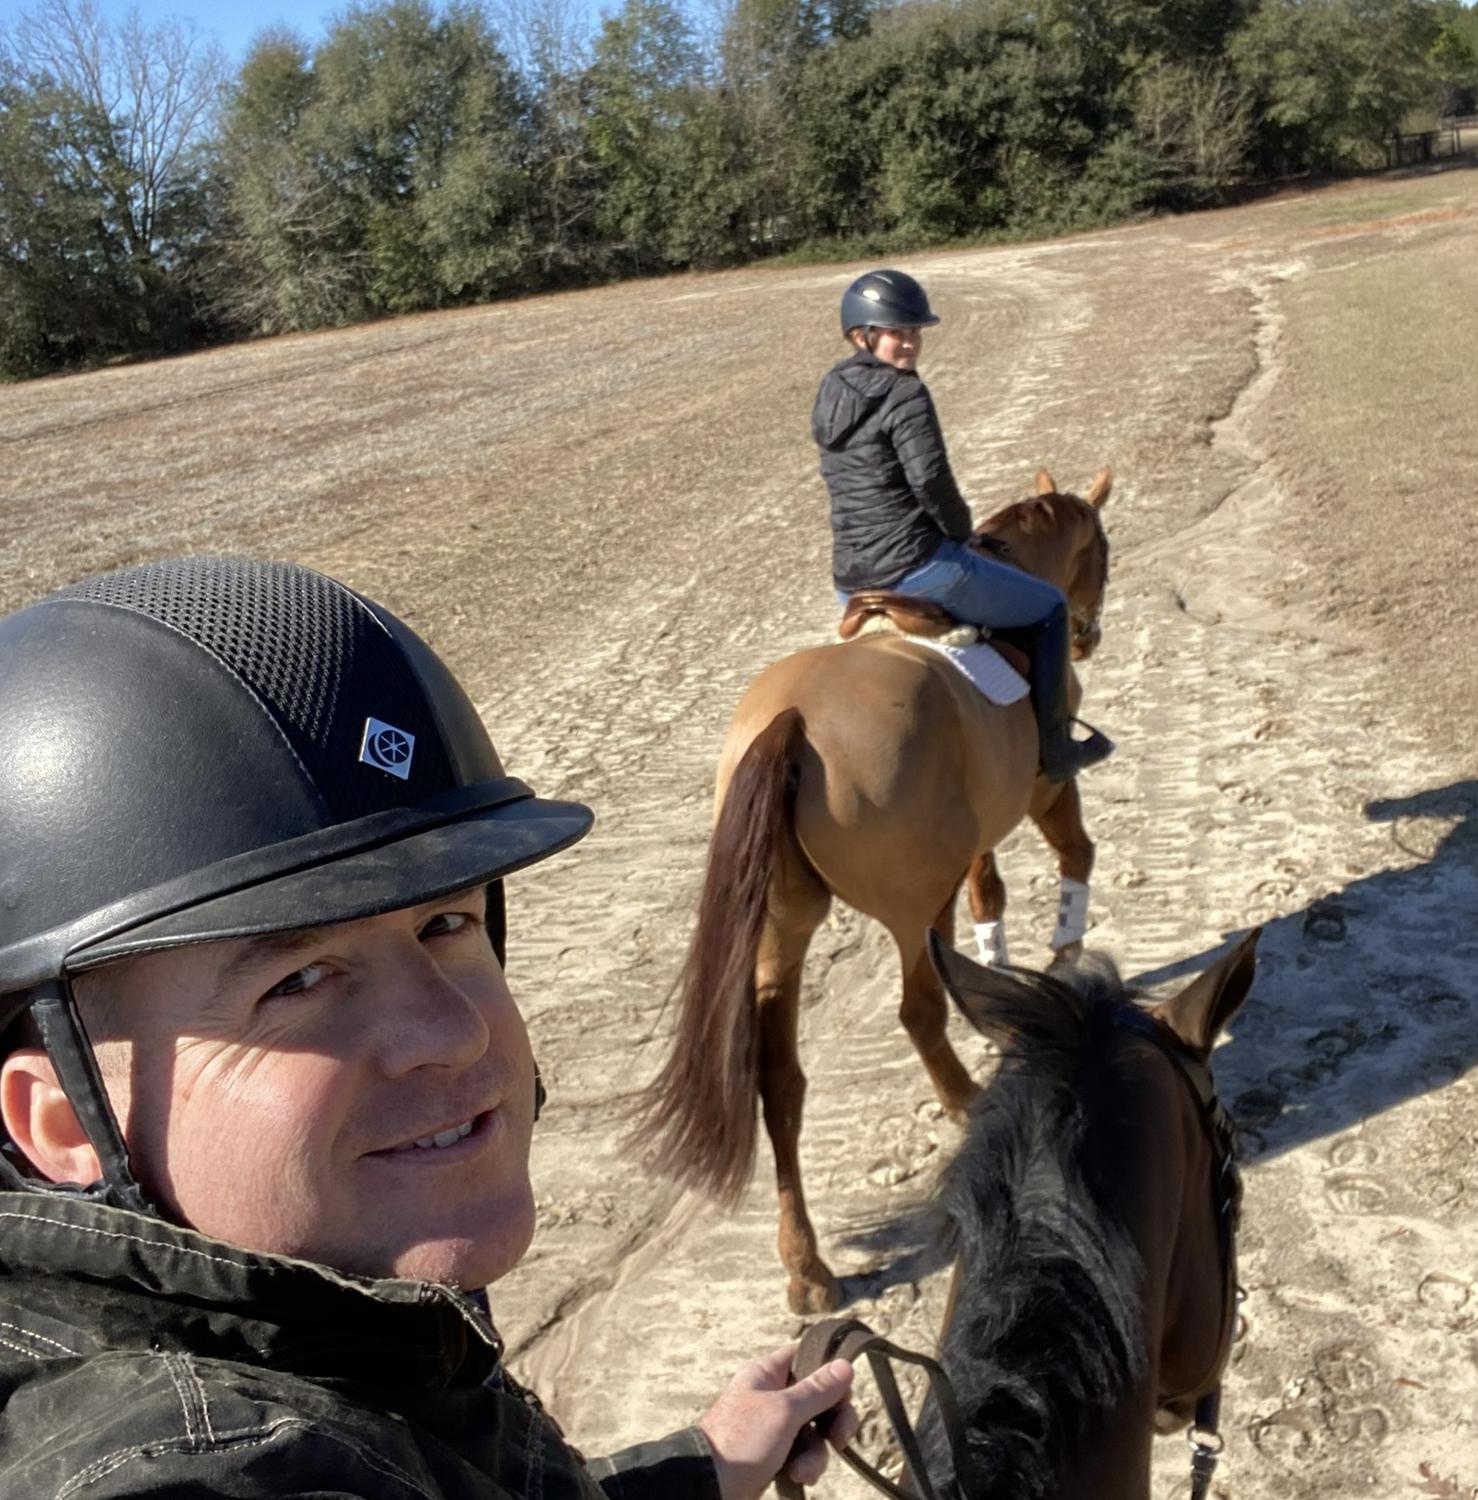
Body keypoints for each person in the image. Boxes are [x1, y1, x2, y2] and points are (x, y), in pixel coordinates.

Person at [0, 555, 855, 1498]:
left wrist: (703, 1468)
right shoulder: (193, 1469)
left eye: (444, 924)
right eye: (299, 979)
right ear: (65, 1122)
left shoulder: (332, 1335)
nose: (452, 1032)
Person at [811, 267, 1113, 782]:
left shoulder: (833, 389)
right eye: (897, 332)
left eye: (914, 332)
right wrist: (958, 531)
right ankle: (1057, 748)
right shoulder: (903, 393)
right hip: (916, 566)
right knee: (1049, 608)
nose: (909, 344)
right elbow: (930, 479)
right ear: (863, 335)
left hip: (851, 581)